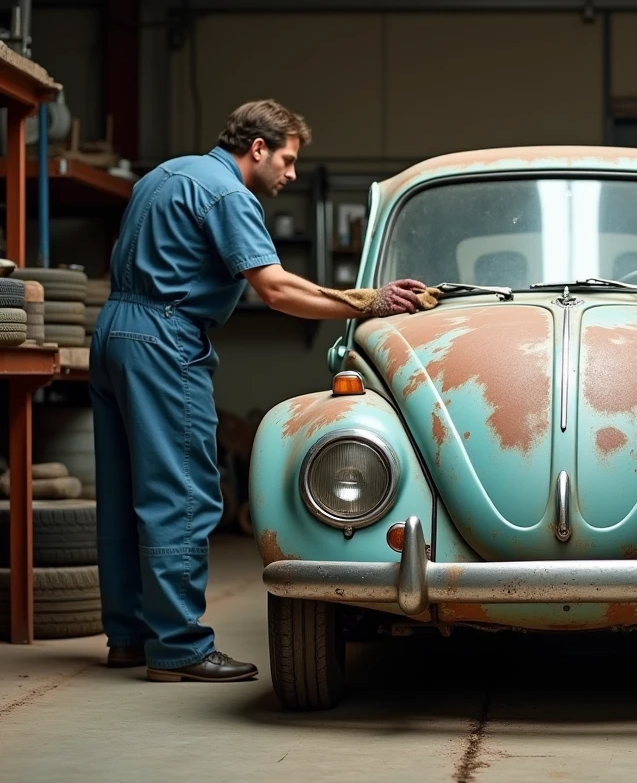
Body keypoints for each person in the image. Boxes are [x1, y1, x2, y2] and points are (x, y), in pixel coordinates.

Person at [89, 100, 426, 682]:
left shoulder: (163, 176)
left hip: (114, 330)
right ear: (259, 149)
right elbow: (276, 290)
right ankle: (179, 648)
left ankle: (129, 637)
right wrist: (367, 299)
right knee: (182, 493)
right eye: (288, 160)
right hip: (165, 338)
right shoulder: (229, 195)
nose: (290, 175)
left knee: (123, 491)